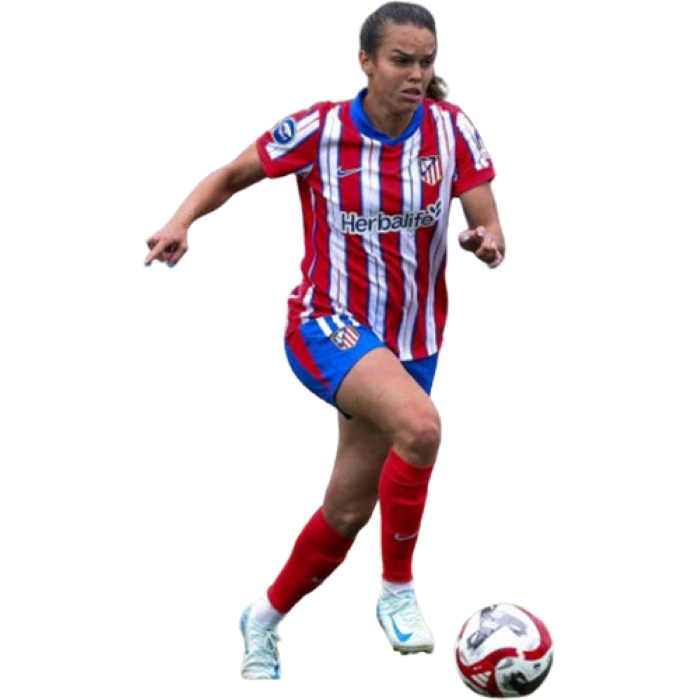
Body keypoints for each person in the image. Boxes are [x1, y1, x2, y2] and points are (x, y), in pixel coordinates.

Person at [144, 0, 505, 682]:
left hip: (413, 342)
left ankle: (263, 619)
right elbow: (232, 175)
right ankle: (397, 590)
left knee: (347, 508)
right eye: (400, 61)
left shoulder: (452, 128)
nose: (415, 74)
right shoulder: (319, 129)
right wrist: (181, 222)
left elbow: (491, 224)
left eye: (427, 62)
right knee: (423, 428)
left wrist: (485, 244)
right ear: (364, 61)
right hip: (326, 322)